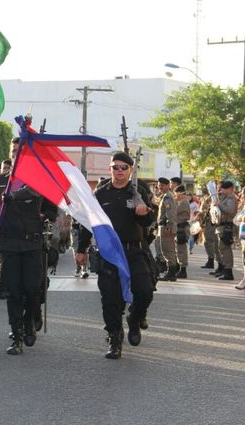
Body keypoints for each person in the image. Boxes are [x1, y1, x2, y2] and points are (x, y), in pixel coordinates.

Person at [75, 151, 156, 359]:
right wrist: (81, 249)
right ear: (109, 169)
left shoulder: (139, 190)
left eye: (124, 167)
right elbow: (89, 222)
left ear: (130, 170)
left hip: (135, 251)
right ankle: (115, 337)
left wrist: (144, 213)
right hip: (109, 253)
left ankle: (135, 318)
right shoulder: (100, 194)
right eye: (115, 167)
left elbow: (149, 223)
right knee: (111, 299)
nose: (119, 171)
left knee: (145, 291)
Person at [0, 137, 57, 355]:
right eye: (14, 151)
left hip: (33, 242)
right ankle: (16, 334)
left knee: (32, 290)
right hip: (9, 243)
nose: (17, 154)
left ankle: (29, 321)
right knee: (13, 291)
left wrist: (42, 216)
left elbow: (52, 210)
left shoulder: (39, 180)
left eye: (21, 151)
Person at [215, 180, 239, 281]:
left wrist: (219, 205)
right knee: (222, 248)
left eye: (224, 188)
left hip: (227, 226)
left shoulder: (231, 198)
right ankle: (225, 270)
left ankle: (228, 271)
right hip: (222, 226)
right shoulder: (225, 197)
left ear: (230, 189)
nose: (222, 190)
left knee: (225, 248)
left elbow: (230, 211)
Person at [156, 177, 178, 281]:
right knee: (165, 249)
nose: (159, 187)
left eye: (161, 186)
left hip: (166, 227)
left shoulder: (168, 197)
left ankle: (171, 273)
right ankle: (171, 272)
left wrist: (169, 227)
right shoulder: (164, 196)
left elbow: (171, 214)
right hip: (163, 226)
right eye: (159, 185)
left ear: (167, 185)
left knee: (168, 250)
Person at [173, 185, 190, 278]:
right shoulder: (181, 201)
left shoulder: (184, 202)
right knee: (178, 249)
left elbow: (174, 211)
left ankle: (183, 270)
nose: (175, 195)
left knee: (181, 249)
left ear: (181, 193)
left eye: (176, 193)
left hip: (182, 228)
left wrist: (174, 201)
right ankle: (180, 268)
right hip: (179, 227)